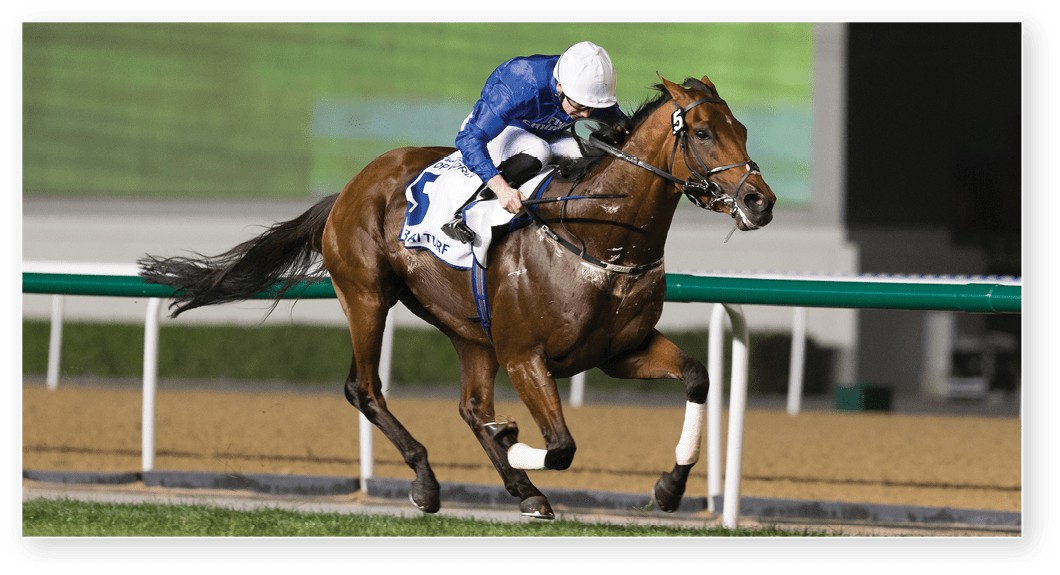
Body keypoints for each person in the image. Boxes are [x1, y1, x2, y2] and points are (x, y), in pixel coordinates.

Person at [443, 41, 629, 242]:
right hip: (501, 132)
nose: (585, 114)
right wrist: (501, 189)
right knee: (539, 150)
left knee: (587, 155)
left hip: (543, 132)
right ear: (560, 86)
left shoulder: (586, 89)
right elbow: (469, 138)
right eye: (579, 105)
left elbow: (619, 124)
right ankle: (465, 212)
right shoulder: (520, 84)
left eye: (591, 108)